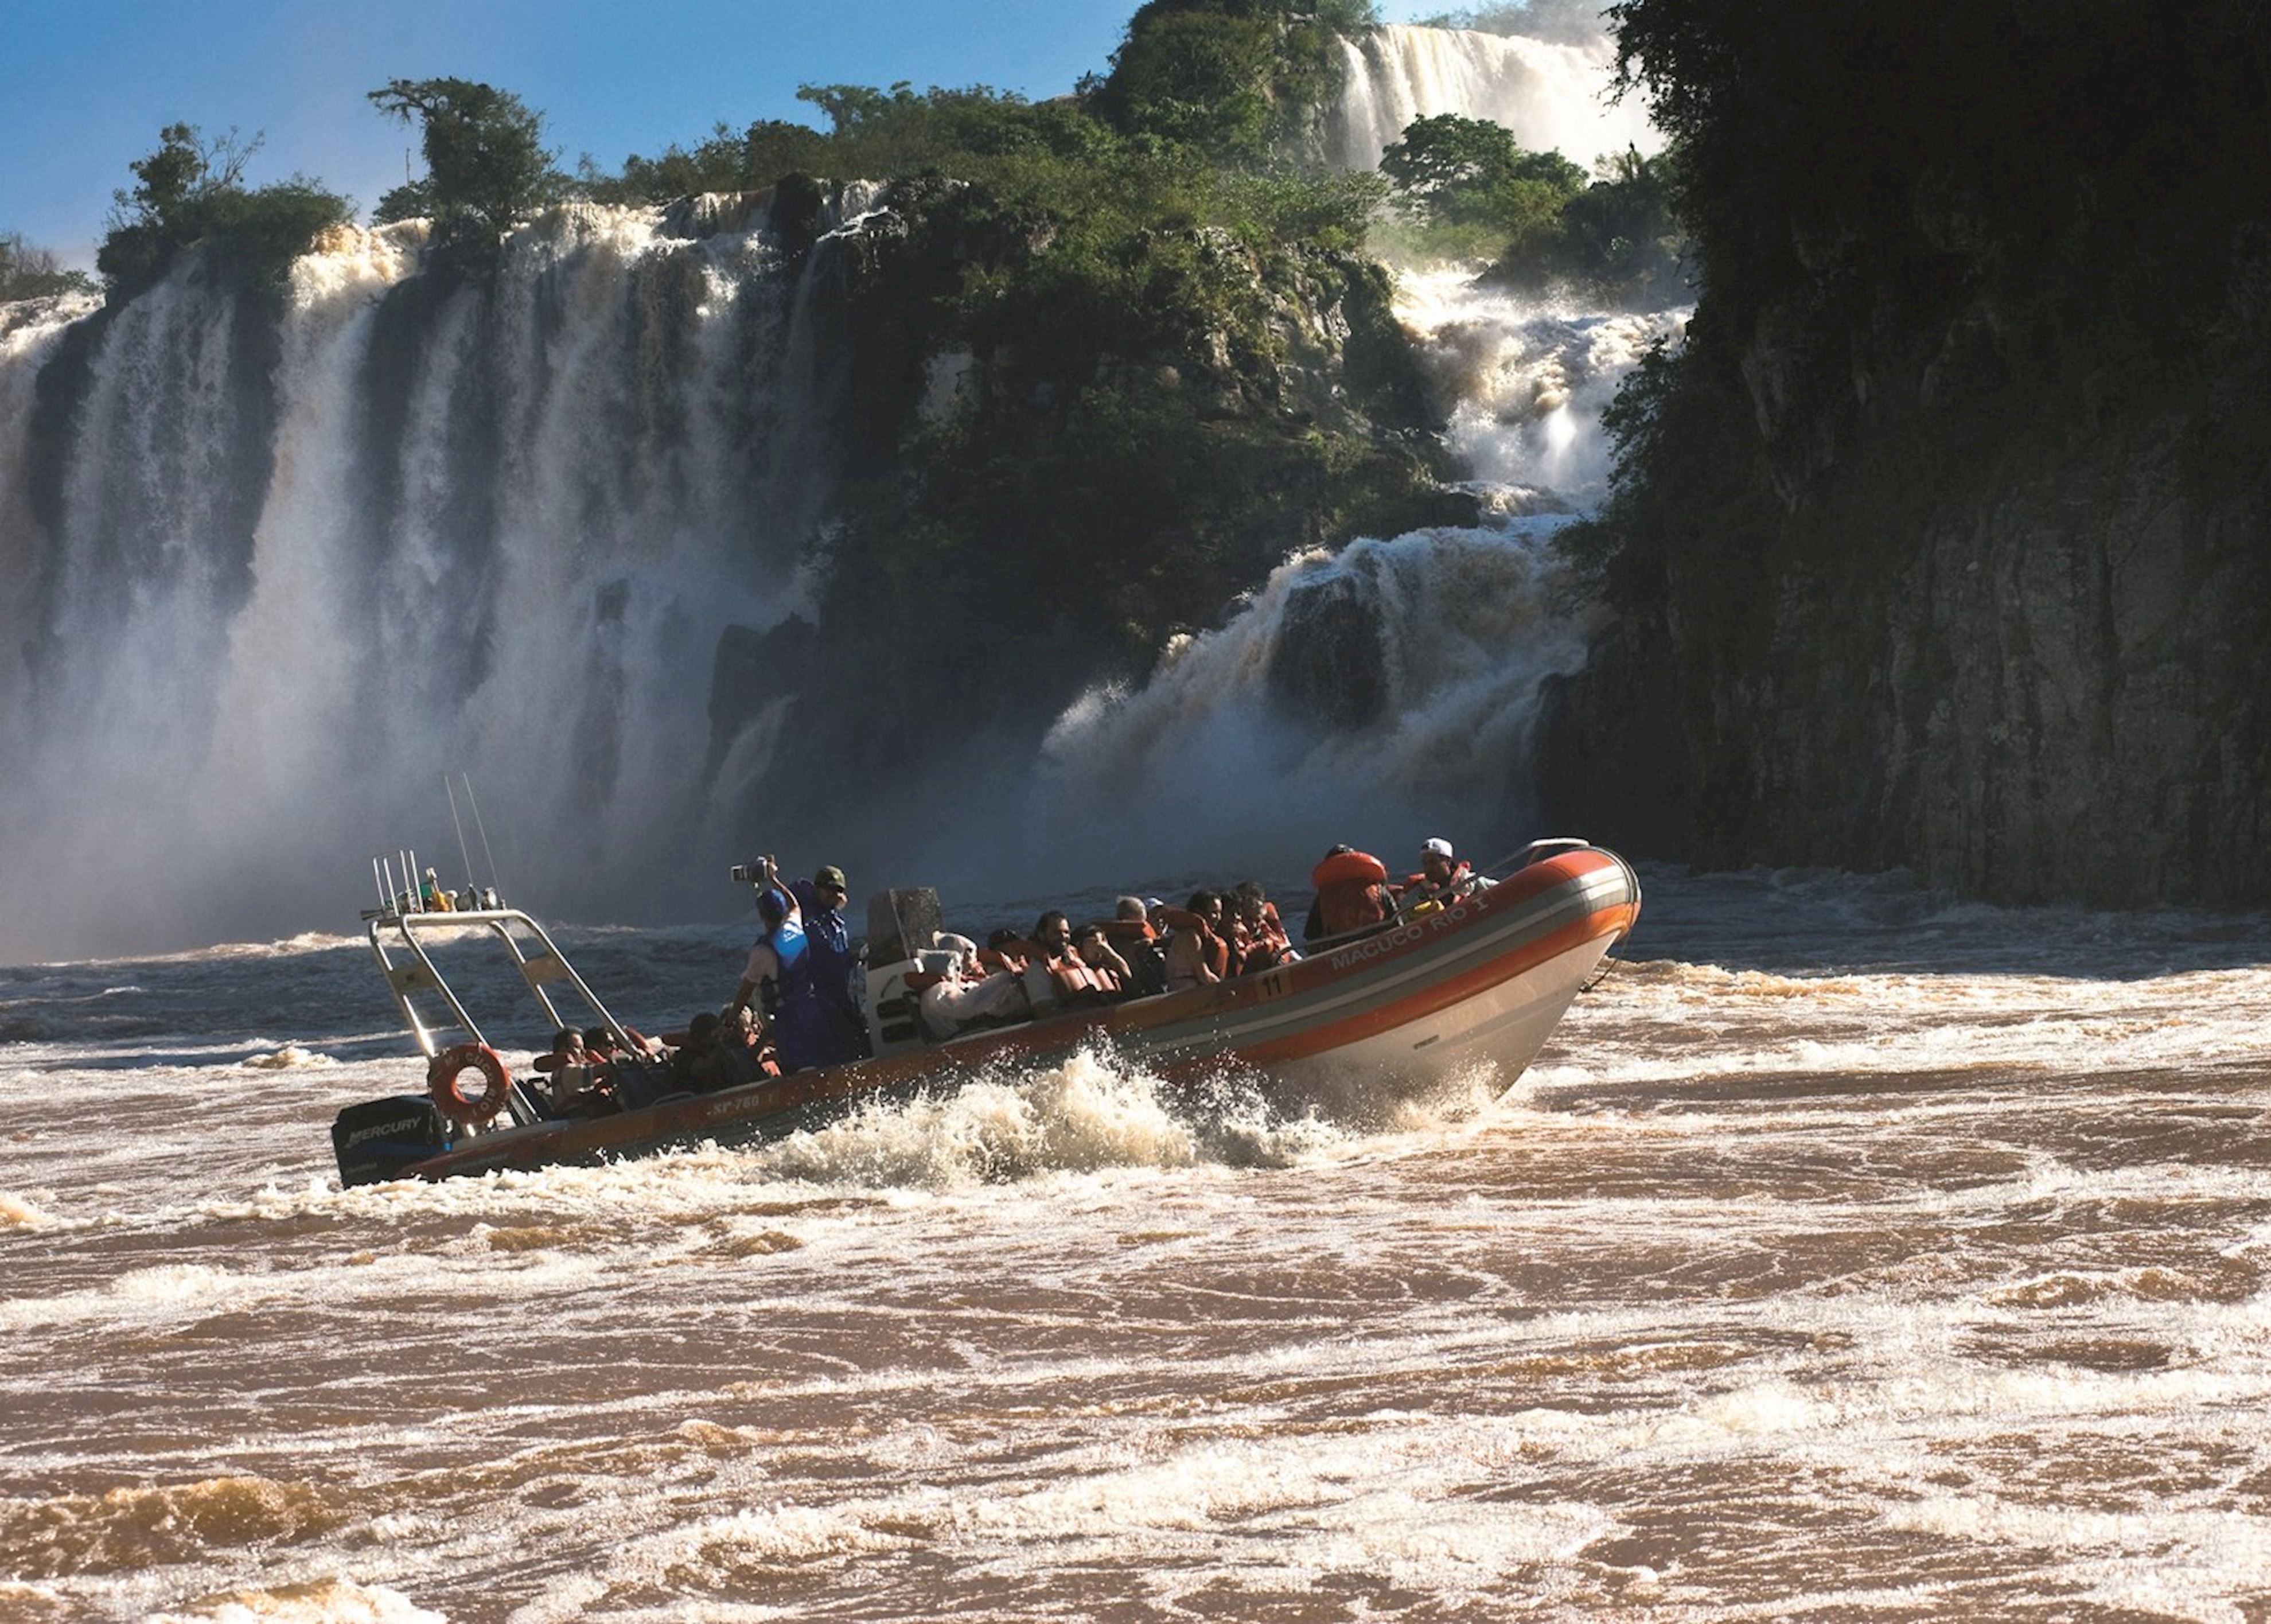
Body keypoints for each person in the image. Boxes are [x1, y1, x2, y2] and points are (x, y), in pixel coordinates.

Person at [726, 857, 832, 1074]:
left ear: (762, 915)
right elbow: (794, 903)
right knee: (819, 1059)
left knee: (797, 1066)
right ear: (782, 911)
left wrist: (730, 1019)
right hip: (812, 1006)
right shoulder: (795, 924)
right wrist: (774, 880)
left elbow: (746, 991)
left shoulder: (763, 950)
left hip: (789, 1015)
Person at [788, 863, 870, 1065]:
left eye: (838, 891)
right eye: (829, 889)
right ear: (818, 888)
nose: (833, 895)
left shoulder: (837, 923)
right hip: (815, 990)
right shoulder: (804, 912)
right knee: (832, 1036)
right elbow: (788, 897)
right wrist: (772, 878)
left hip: (840, 990)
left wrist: (855, 958)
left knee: (855, 1031)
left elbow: (839, 954)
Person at [1024, 910, 1121, 1015]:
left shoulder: (1076, 958)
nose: (1063, 937)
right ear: (1042, 935)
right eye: (1056, 933)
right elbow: (1044, 1012)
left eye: (1066, 932)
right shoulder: (1037, 971)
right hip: (1077, 1021)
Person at [1304, 846, 1393, 941]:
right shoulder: (1377, 889)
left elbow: (1311, 934)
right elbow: (1395, 918)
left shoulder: (1323, 897)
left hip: (1342, 947)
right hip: (1379, 941)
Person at [1399, 837, 1494, 909]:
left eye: (1433, 862)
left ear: (1448, 861)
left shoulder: (1470, 882)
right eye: (1425, 863)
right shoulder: (1418, 894)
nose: (1428, 868)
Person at [1161, 890, 1228, 991]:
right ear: (1199, 913)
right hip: (1185, 995)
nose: (1218, 918)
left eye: (1220, 913)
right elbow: (1204, 977)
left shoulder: (1189, 934)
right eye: (1214, 913)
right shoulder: (1190, 936)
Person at [1228, 879, 1296, 973]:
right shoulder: (1235, 930)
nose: (1253, 925)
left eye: (1257, 920)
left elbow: (1287, 948)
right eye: (1248, 919)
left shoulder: (1267, 922)